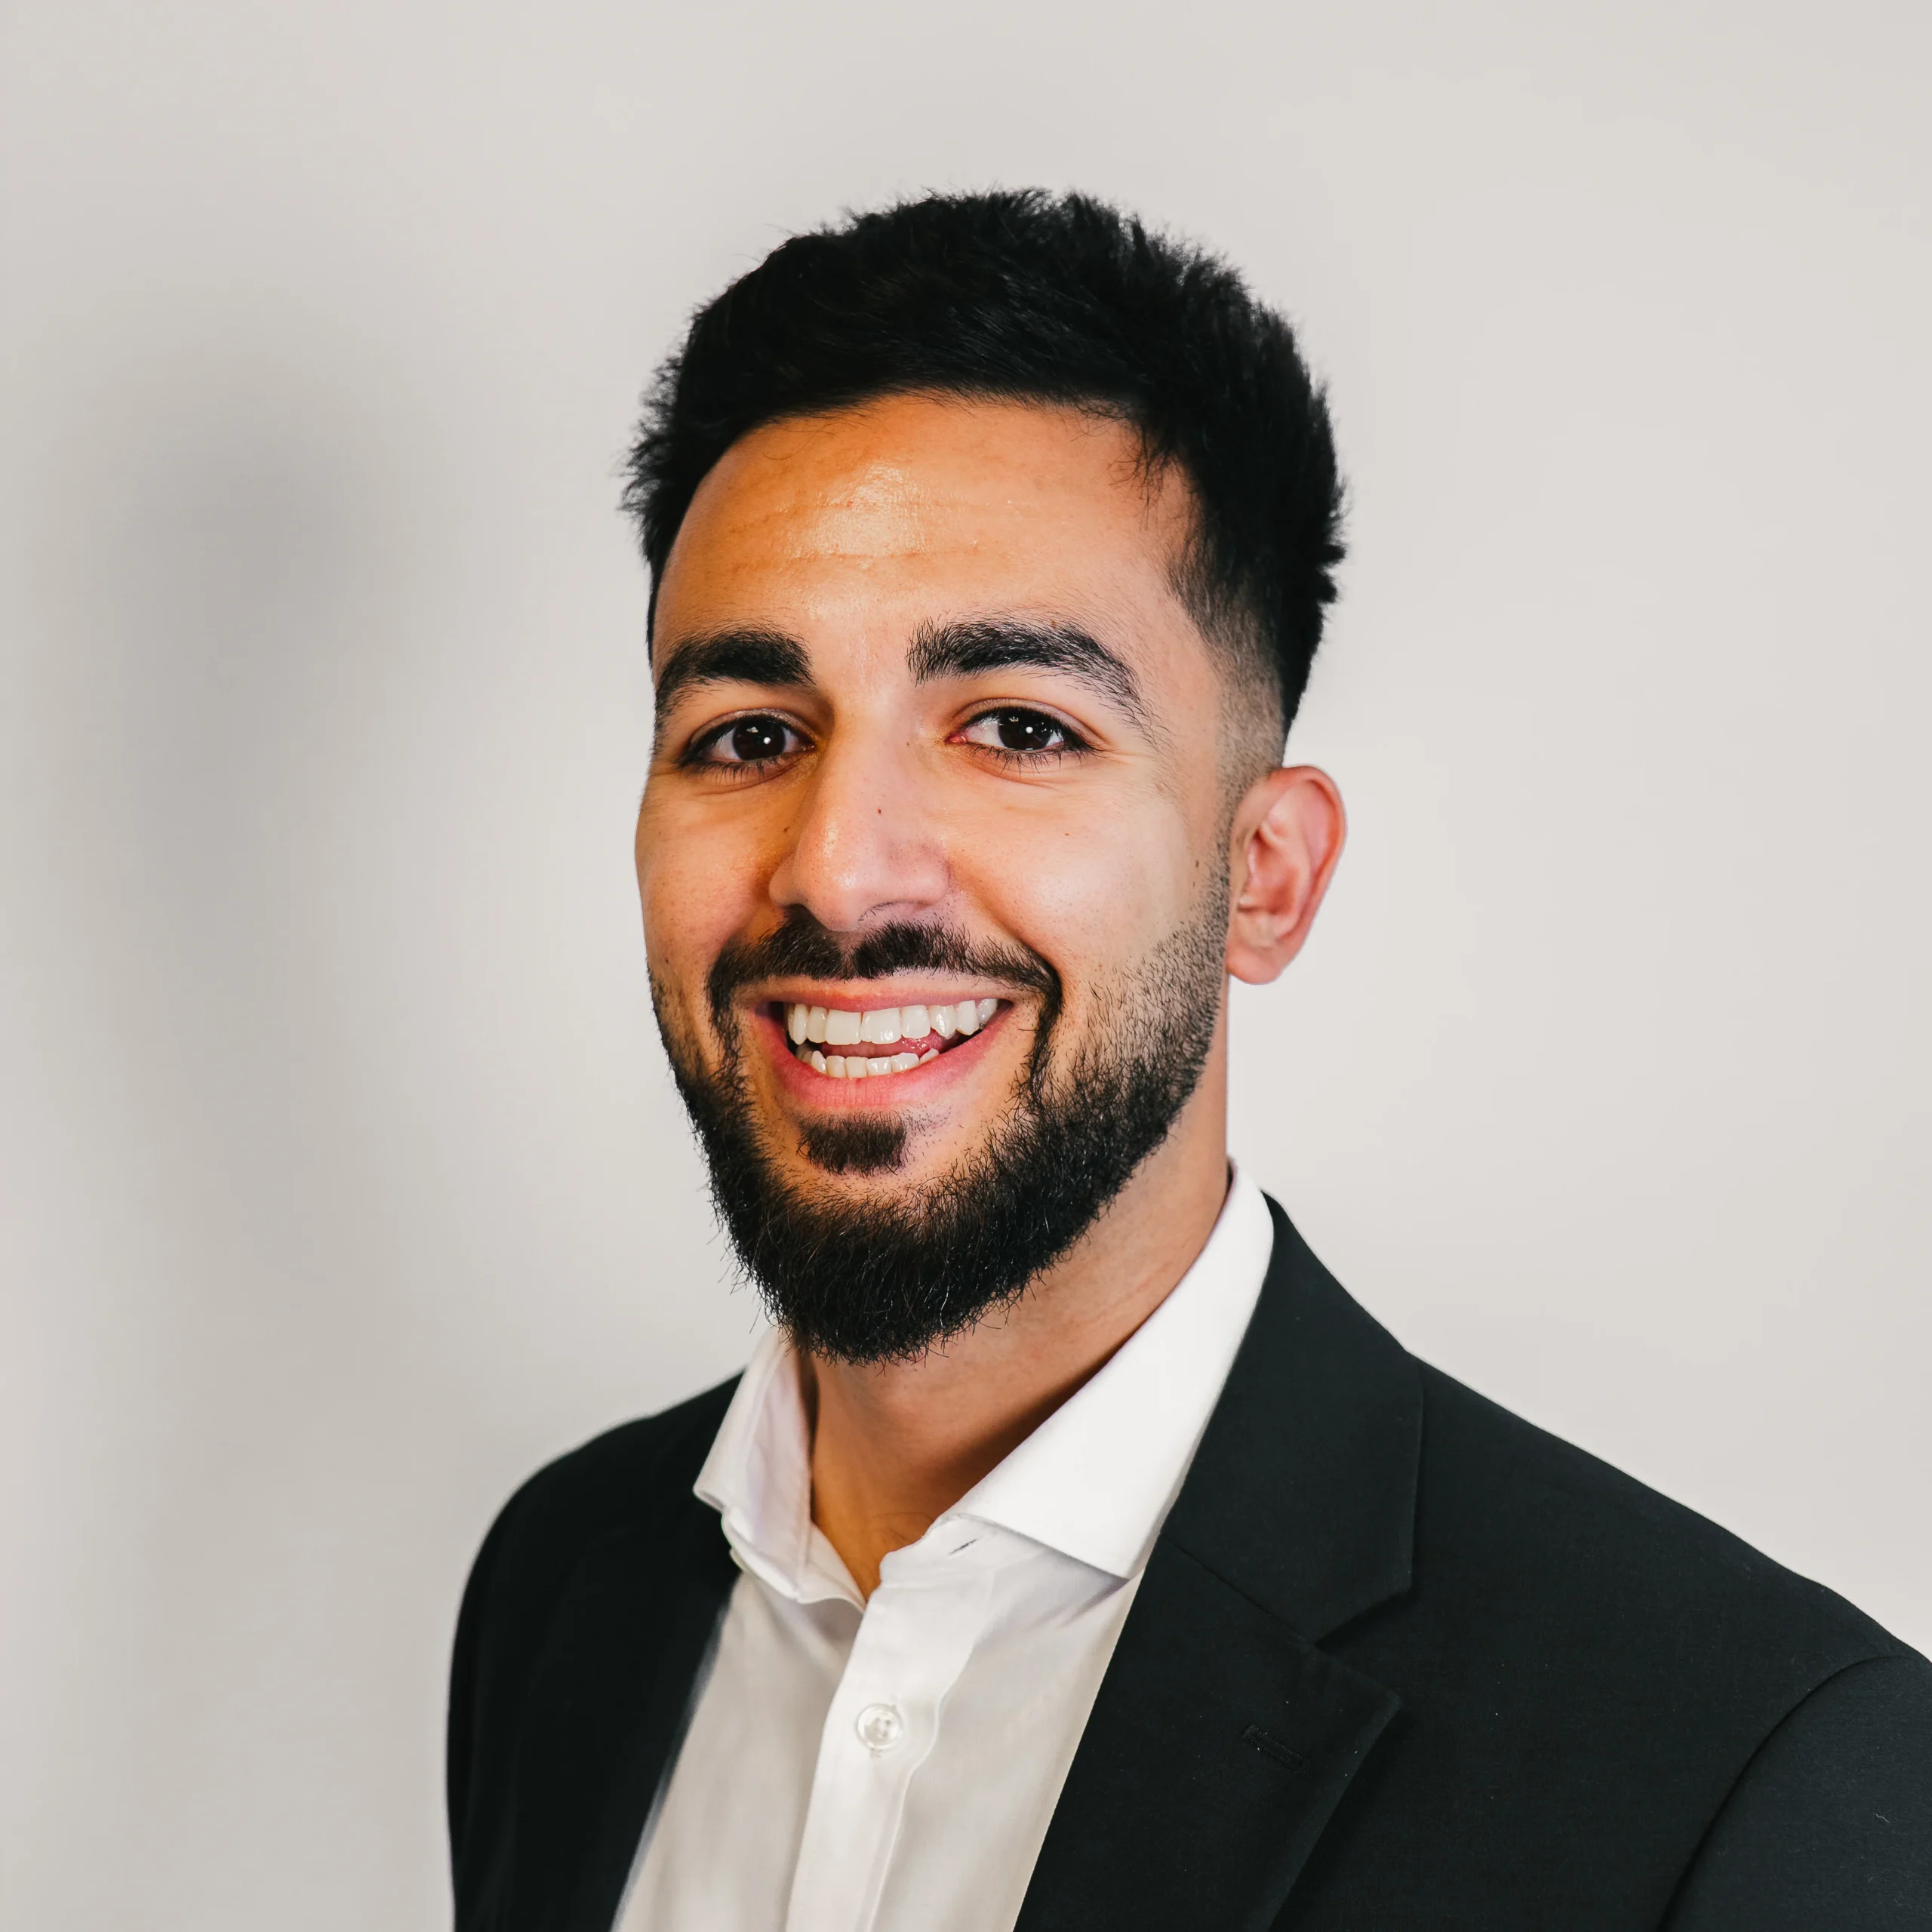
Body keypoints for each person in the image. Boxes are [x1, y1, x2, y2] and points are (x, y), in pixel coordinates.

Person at [445, 191, 1932, 1931]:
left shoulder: (1747, 1772)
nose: (841, 869)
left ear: (1264, 873)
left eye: (1016, 726)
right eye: (747, 735)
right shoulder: (567, 1582)